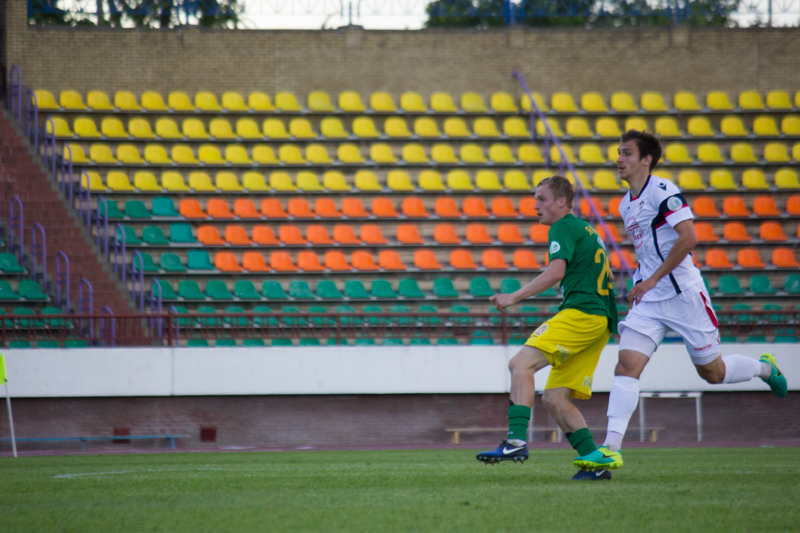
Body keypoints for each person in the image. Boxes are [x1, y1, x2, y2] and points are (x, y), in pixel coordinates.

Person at [574, 130, 788, 471]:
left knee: (713, 373)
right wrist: (644, 280)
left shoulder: (663, 192)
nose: (619, 159)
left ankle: (765, 368)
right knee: (626, 365)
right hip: (650, 299)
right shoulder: (625, 203)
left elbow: (689, 238)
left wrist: (653, 279)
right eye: (618, 152)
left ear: (646, 160)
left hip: (684, 295)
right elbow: (649, 249)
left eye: (626, 153)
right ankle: (610, 448)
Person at [476, 175, 619, 480]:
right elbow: (605, 274)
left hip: (581, 313)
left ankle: (515, 442)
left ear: (562, 202)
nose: (536, 206)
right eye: (535, 199)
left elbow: (556, 272)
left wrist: (512, 296)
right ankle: (595, 464)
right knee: (555, 398)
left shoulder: (562, 227)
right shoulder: (587, 230)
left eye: (542, 199)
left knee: (520, 364)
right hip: (600, 321)